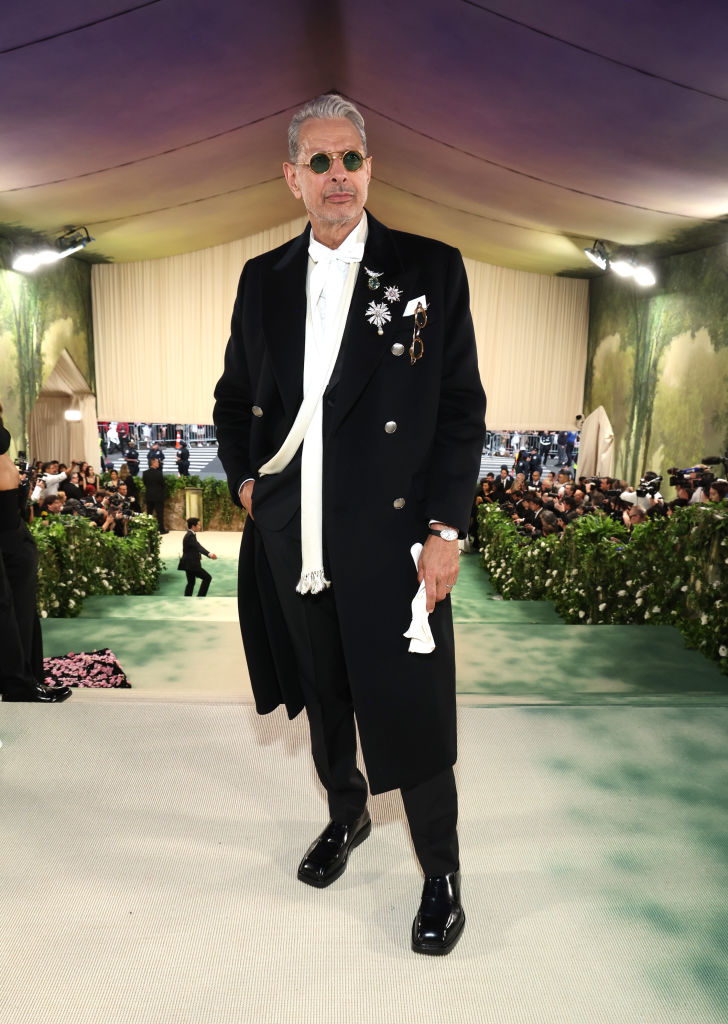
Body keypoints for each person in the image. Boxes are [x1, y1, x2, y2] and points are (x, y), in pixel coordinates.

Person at [213, 94, 486, 956]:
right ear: (292, 177)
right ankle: (346, 816)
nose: (339, 177)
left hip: (395, 541)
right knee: (326, 703)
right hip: (298, 539)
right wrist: (251, 488)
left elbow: (457, 410)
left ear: (372, 168)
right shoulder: (261, 281)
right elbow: (231, 403)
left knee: (411, 713)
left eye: (353, 160)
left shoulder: (430, 272)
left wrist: (447, 529)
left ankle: (440, 873)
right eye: (321, 162)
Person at [0, 407, 71, 702]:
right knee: (5, 608)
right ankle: (18, 683)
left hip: (12, 530)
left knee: (21, 607)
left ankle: (27, 679)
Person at [180, 517, 217, 595]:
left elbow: (193, 547)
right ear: (193, 526)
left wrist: (198, 554)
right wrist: (209, 554)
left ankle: (187, 598)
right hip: (192, 565)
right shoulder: (190, 536)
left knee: (191, 583)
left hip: (187, 564)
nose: (200, 527)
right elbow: (198, 547)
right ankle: (201, 596)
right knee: (207, 578)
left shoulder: (190, 534)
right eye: (199, 525)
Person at [141, 457, 167, 533]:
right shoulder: (159, 473)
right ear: (153, 463)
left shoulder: (145, 473)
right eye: (157, 462)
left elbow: (145, 483)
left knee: (149, 513)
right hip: (158, 496)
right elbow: (163, 484)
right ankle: (161, 529)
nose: (158, 463)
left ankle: (149, 529)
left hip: (149, 495)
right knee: (160, 514)